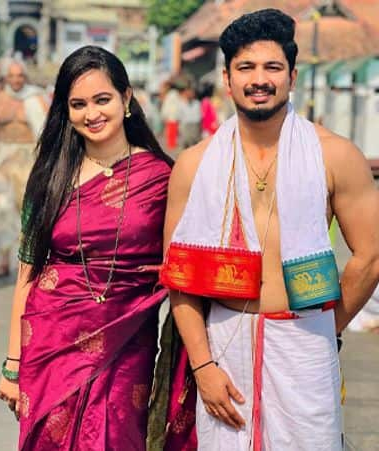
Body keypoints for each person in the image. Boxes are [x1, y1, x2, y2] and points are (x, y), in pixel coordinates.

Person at [160, 9, 379, 450]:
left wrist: (324, 330)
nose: (259, 79)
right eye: (246, 67)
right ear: (226, 79)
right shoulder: (195, 165)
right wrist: (202, 367)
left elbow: (371, 255)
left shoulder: (334, 156)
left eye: (272, 67)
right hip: (223, 342)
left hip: (306, 341)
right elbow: (178, 275)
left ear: (292, 76)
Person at [0, 45, 173, 450]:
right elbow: (27, 272)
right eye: (78, 104)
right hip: (50, 340)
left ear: (126, 98)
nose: (91, 113)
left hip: (126, 340)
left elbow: (180, 261)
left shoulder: (161, 177)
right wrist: (12, 364)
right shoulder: (48, 178)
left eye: (102, 99)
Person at [0, 57, 48, 277]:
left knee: (29, 210)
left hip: (27, 159)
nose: (16, 80)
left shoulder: (35, 98)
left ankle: (32, 262)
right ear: (5, 78)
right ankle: (2, 260)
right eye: (12, 76)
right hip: (2, 161)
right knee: (2, 209)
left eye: (20, 75)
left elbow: (44, 131)